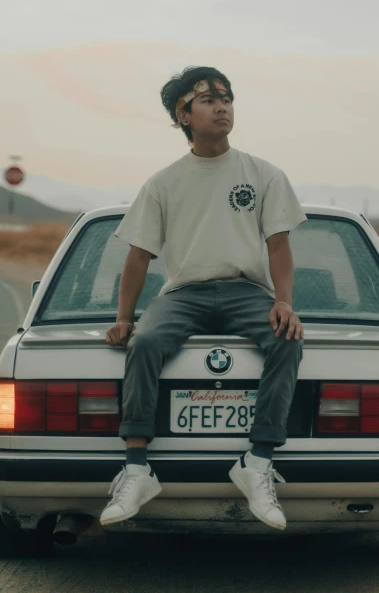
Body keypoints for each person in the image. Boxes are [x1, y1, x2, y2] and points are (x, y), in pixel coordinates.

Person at [100, 66, 307, 531]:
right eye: (209, 99)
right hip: (185, 294)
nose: (222, 107)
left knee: (287, 339)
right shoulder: (163, 182)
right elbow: (138, 256)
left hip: (246, 291)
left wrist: (285, 302)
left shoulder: (263, 173)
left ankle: (257, 462)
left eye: (227, 98)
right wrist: (123, 318)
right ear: (184, 115)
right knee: (146, 342)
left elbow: (279, 246)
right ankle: (136, 469)